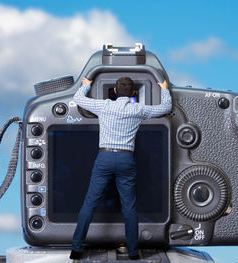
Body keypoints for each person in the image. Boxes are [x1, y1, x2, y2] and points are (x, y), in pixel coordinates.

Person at [70, 76, 172, 260]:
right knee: (129, 208)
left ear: (115, 92)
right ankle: (133, 253)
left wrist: (85, 86)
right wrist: (164, 88)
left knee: (89, 203)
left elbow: (78, 99)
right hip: (126, 158)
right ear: (133, 94)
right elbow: (166, 107)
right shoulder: (138, 108)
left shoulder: (105, 105)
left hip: (105, 157)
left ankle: (76, 249)